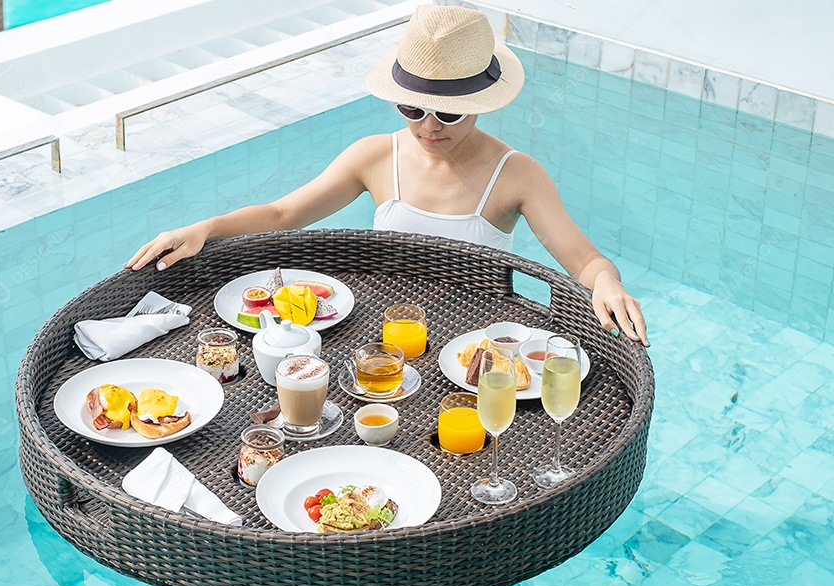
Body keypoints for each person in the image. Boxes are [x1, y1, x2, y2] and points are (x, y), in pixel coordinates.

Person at [126, 5, 648, 345]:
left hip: (472, 346)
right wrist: (203, 229)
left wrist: (607, 283)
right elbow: (284, 214)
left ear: (480, 105)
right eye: (411, 108)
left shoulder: (515, 174)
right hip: (382, 335)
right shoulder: (376, 155)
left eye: (446, 113)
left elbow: (582, 259)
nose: (427, 127)